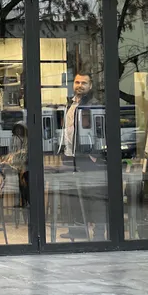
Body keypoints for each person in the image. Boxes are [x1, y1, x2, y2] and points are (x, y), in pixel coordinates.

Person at [57, 72, 106, 241]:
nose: (80, 85)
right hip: (70, 156)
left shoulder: (94, 105)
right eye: (77, 82)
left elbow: (100, 132)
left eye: (84, 83)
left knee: (94, 196)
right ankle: (78, 230)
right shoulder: (70, 104)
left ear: (90, 86)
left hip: (87, 158)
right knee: (74, 197)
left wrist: (93, 154)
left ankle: (99, 233)